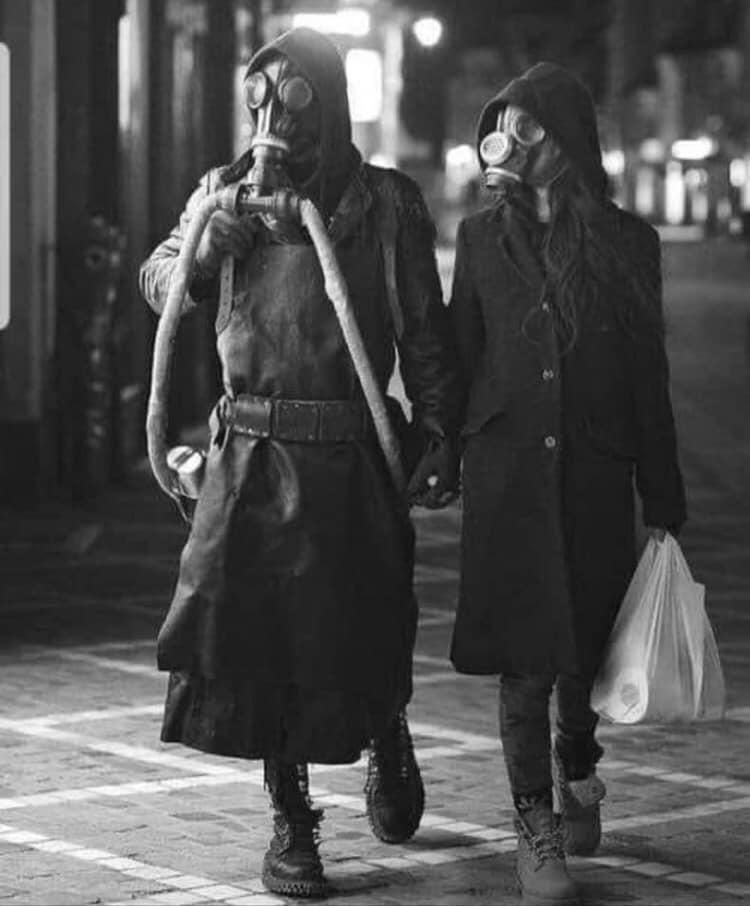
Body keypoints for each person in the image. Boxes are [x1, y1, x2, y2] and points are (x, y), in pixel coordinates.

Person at [139, 27, 462, 899]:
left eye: (295, 93)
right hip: (251, 454)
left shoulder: (383, 203)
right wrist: (205, 246)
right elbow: (158, 278)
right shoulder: (224, 193)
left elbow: (425, 334)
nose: (275, 115)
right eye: (263, 92)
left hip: (354, 454)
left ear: (331, 100)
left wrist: (438, 432)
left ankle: (385, 725)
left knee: (366, 620)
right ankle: (291, 815)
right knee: (258, 643)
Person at [448, 62, 687, 904]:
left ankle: (577, 762)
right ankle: (534, 826)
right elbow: (461, 354)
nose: (510, 141)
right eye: (500, 125)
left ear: (567, 139)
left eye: (527, 125)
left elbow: (648, 374)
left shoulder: (627, 242)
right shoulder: (480, 238)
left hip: (593, 474)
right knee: (526, 662)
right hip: (508, 475)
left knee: (583, 650)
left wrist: (663, 495)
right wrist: (439, 452)